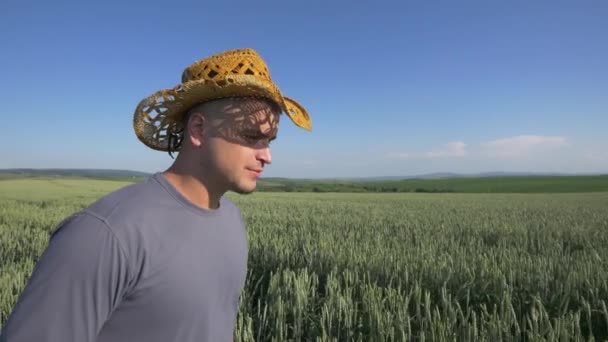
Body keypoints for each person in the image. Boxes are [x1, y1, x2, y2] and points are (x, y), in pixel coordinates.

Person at [0, 48, 312, 342]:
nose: (267, 156)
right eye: (251, 137)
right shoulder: (104, 234)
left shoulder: (231, 219)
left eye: (269, 139)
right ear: (199, 129)